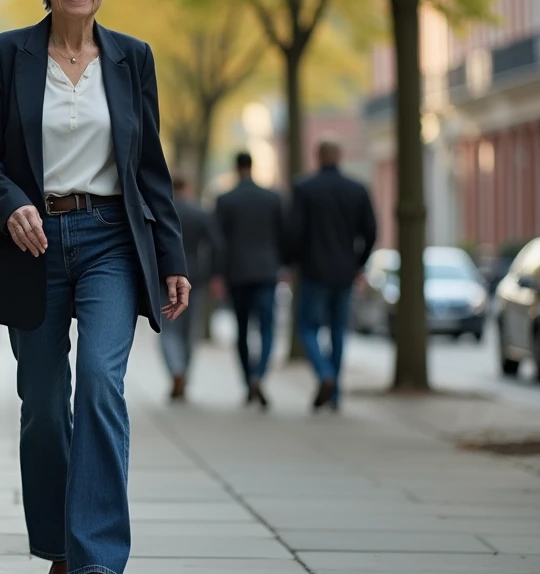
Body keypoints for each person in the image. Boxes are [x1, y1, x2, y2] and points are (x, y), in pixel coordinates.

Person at [0, 0, 189, 574]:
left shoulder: (131, 59)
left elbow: (148, 165)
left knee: (99, 385)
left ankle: (98, 564)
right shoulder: (5, 54)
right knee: (42, 406)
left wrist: (172, 254)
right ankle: (60, 545)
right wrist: (11, 205)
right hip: (31, 244)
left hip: (111, 241)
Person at [289, 139, 377, 411]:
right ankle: (335, 393)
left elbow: (294, 231)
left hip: (313, 271)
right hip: (344, 272)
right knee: (338, 330)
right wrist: (358, 263)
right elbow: (371, 232)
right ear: (340, 156)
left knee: (307, 327)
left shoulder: (304, 188)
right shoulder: (357, 189)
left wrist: (294, 261)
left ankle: (324, 374)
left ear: (317, 156)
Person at [213, 152, 288, 410]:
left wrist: (218, 274)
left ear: (236, 167)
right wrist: (283, 266)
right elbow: (283, 235)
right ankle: (260, 374)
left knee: (242, 330)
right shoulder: (272, 198)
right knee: (267, 327)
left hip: (237, 272)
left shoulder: (225, 200)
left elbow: (218, 242)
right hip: (267, 271)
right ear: (252, 166)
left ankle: (248, 381)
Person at [159, 172, 222, 401]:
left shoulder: (161, 211)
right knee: (189, 332)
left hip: (163, 279)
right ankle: (184, 372)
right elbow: (216, 245)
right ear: (188, 187)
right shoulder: (200, 212)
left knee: (168, 330)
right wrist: (215, 274)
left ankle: (175, 370)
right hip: (195, 277)